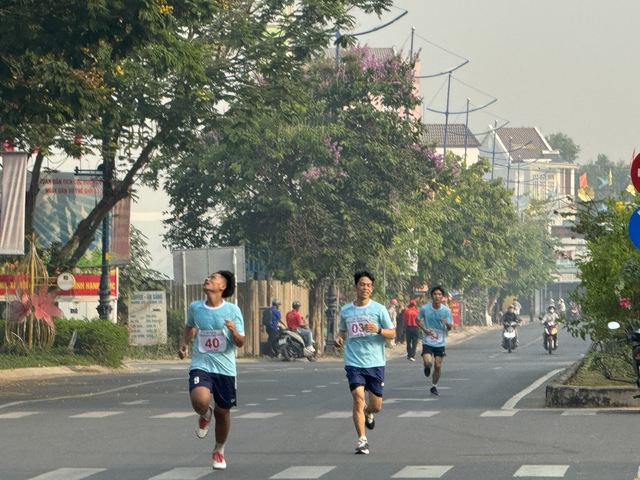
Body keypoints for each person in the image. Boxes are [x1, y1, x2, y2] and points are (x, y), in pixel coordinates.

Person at [177, 271, 245, 471]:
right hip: (202, 364)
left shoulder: (232, 310)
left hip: (225, 368)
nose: (208, 279)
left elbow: (241, 342)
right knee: (199, 400)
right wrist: (183, 344)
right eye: (207, 277)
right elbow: (190, 328)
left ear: (222, 287)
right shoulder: (195, 307)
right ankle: (205, 414)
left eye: (213, 278)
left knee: (223, 413)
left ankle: (219, 449)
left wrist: (233, 331)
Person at [334, 271, 395, 455]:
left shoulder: (379, 310)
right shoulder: (346, 310)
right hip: (353, 361)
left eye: (368, 285)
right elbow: (343, 331)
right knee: (358, 398)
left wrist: (378, 330)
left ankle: (369, 413)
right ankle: (362, 440)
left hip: (375, 361)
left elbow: (392, 334)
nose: (365, 288)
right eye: (362, 284)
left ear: (372, 288)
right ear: (355, 287)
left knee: (376, 405)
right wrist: (339, 338)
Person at [417, 285, 453, 396]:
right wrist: (424, 330)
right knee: (428, 362)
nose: (437, 296)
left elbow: (451, 327)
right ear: (431, 296)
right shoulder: (425, 309)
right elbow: (417, 320)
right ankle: (427, 367)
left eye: (439, 294)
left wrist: (447, 324)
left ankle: (434, 386)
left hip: (440, 342)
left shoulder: (446, 311)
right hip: (427, 340)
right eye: (435, 294)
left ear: (442, 297)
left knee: (437, 365)